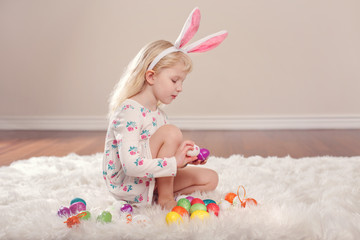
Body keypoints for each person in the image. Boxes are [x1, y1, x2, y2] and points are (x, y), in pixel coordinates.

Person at [102, 7, 227, 210]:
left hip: (148, 178)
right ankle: (165, 198)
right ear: (151, 76)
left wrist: (183, 160)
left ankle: (154, 195)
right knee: (171, 132)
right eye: (175, 80)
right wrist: (172, 162)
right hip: (128, 184)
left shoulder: (159, 115)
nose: (180, 88)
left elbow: (161, 155)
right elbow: (131, 165)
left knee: (210, 179)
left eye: (182, 82)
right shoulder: (128, 111)